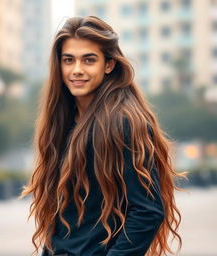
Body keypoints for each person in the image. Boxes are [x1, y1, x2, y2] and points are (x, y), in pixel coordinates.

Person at [21, 16, 184, 256]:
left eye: (89, 60)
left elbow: (147, 211)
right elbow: (65, 216)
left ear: (108, 65)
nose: (77, 70)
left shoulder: (124, 122)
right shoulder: (63, 120)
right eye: (68, 60)